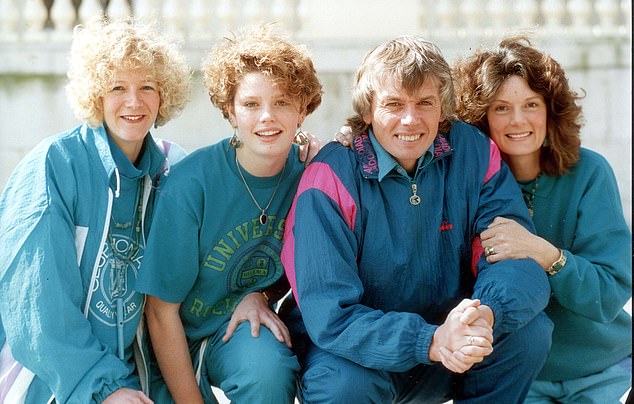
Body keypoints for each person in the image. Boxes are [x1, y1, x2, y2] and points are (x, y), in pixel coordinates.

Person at [280, 34, 554, 403]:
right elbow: (331, 315)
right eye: (393, 104)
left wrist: (485, 315)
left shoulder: (472, 152)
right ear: (367, 111)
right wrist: (428, 340)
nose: (411, 119)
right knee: (341, 384)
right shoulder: (330, 176)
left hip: (451, 342)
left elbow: (515, 259)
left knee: (528, 332)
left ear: (442, 109)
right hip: (359, 357)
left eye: (425, 102)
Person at [0, 19, 190, 403]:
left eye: (147, 87)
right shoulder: (55, 164)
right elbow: (37, 304)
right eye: (117, 87)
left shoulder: (173, 169)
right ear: (95, 94)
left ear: (164, 94)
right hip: (53, 381)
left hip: (141, 381)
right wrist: (103, 388)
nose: (134, 102)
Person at [135, 25, 322, 403]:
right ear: (230, 112)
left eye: (282, 102)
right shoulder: (191, 185)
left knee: (268, 372)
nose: (267, 117)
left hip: (236, 331)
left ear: (302, 111)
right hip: (173, 339)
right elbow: (160, 311)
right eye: (251, 104)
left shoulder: (310, 176)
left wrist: (259, 295)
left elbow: (289, 264)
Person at [452, 36, 632, 404]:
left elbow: (610, 292)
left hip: (602, 371)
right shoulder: (467, 183)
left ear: (551, 110)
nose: (518, 120)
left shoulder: (590, 173)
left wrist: (546, 254)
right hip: (520, 374)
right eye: (501, 108)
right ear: (481, 117)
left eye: (531, 104)